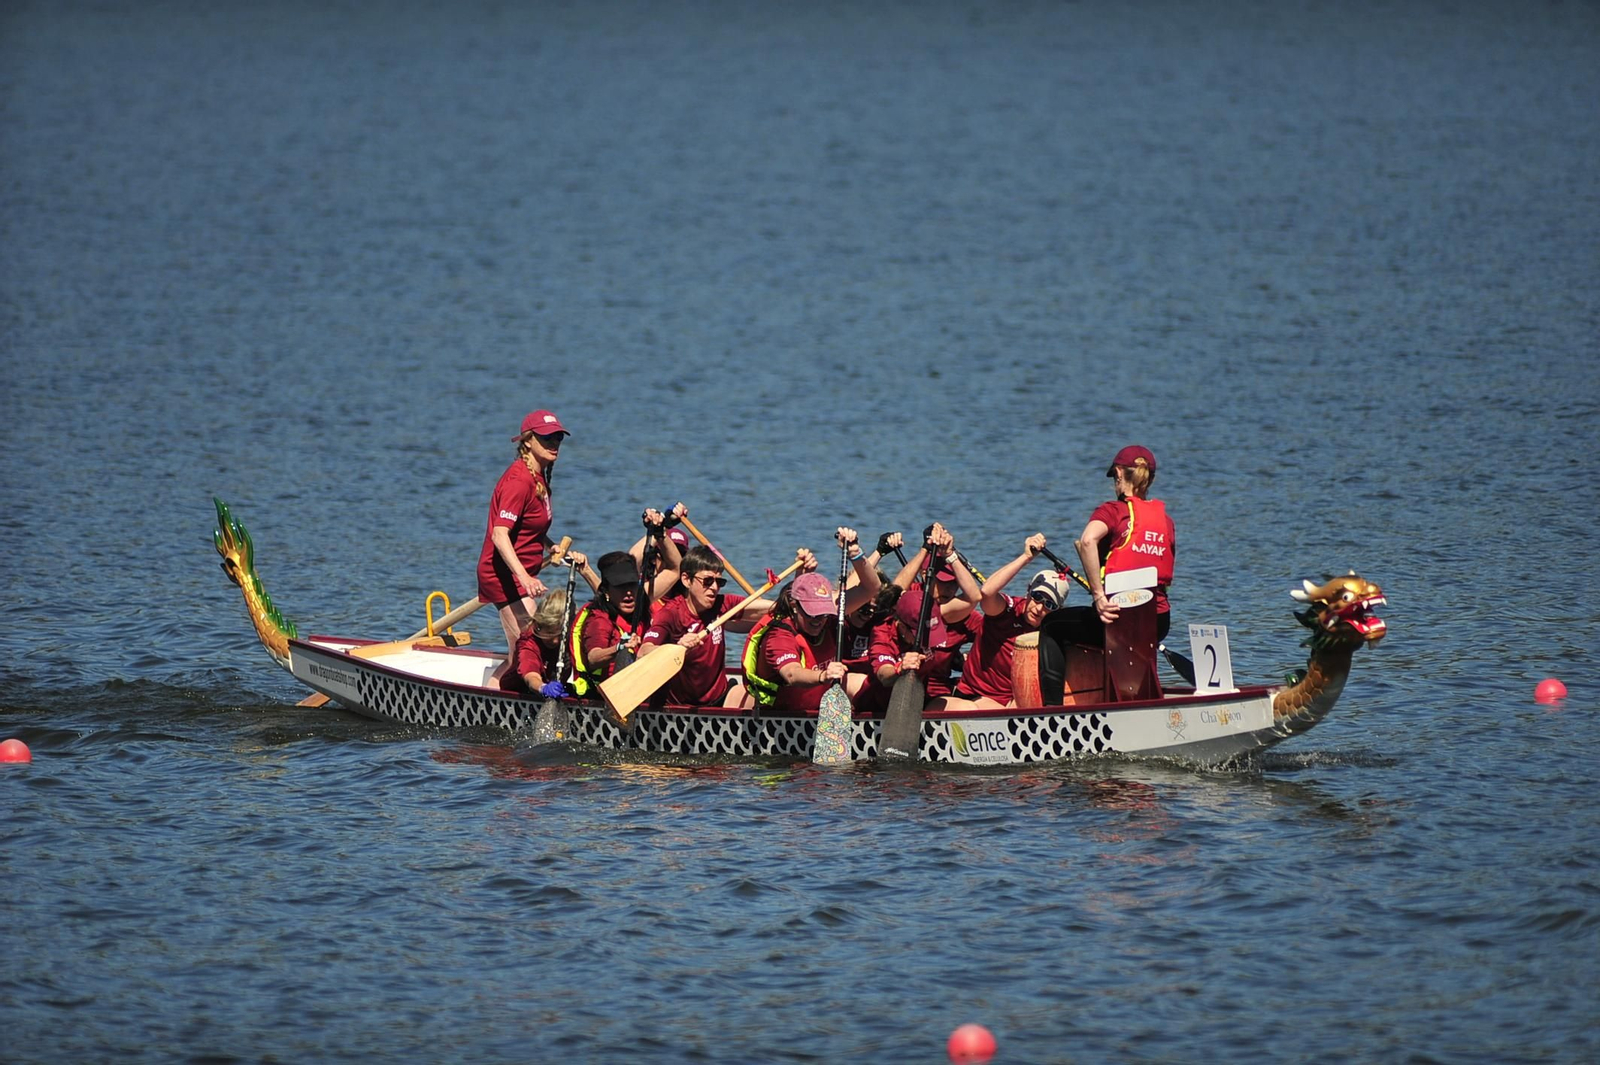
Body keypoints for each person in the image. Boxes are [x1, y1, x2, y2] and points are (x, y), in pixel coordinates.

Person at [638, 543, 817, 707]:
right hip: (679, 707)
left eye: (719, 582)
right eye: (707, 581)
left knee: (767, 698)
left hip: (721, 697)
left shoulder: (722, 604)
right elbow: (643, 652)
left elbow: (776, 608)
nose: (715, 588)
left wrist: (800, 576)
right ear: (686, 580)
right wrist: (676, 647)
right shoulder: (671, 613)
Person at [747, 529, 883, 714]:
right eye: (812, 613)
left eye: (823, 613)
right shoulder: (779, 636)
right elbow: (792, 674)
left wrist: (855, 553)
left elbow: (871, 589)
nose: (819, 620)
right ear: (795, 606)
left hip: (816, 706)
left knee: (870, 685)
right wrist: (823, 675)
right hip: (781, 717)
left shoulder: (828, 616)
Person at [928, 534, 1070, 710]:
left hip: (1012, 701)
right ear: (1028, 592)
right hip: (973, 696)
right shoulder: (1008, 610)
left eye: (1050, 605)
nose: (1040, 608)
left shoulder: (1053, 630)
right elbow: (986, 593)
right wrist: (1026, 557)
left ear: (1058, 610)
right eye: (1037, 597)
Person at [477, 410, 569, 669]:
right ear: (528, 441)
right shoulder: (519, 481)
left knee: (538, 642)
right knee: (524, 651)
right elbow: (500, 534)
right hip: (502, 576)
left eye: (558, 438)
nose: (554, 444)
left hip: (521, 575)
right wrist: (524, 578)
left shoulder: (539, 476)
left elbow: (529, 528)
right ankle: (494, 700)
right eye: (547, 438)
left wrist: (550, 546)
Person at [1072, 445, 1176, 642]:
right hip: (1159, 620)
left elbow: (1087, 541)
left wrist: (1099, 597)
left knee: (1053, 627)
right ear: (1150, 479)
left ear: (1119, 473)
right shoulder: (1166, 521)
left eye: (1113, 477)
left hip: (1117, 615)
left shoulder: (1112, 511)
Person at [499, 588, 571, 695]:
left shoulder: (572, 636)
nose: (555, 641)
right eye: (550, 633)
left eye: (560, 635)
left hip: (555, 689)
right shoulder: (528, 643)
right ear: (538, 626)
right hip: (519, 693)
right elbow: (531, 676)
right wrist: (543, 688)